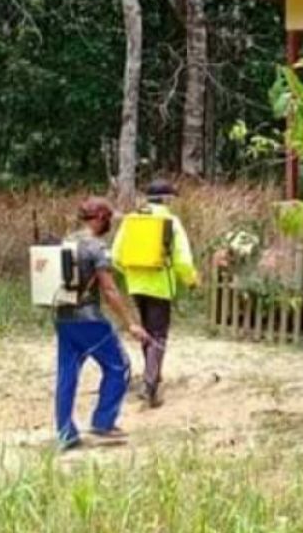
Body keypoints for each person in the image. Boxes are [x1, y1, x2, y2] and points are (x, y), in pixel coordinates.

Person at [55, 197, 148, 451]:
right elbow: (109, 289)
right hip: (89, 319)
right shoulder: (96, 248)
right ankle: (103, 422)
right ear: (98, 218)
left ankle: (66, 433)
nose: (109, 223)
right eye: (107, 218)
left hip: (63, 318)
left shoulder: (66, 241)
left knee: (67, 375)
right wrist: (131, 323)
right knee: (118, 366)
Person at [111, 179, 199, 408]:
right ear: (167, 199)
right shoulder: (170, 221)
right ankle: (150, 385)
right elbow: (182, 259)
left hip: (136, 285)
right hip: (160, 285)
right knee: (159, 334)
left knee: (147, 331)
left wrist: (132, 273)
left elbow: (116, 256)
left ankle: (153, 376)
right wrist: (190, 280)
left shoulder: (131, 220)